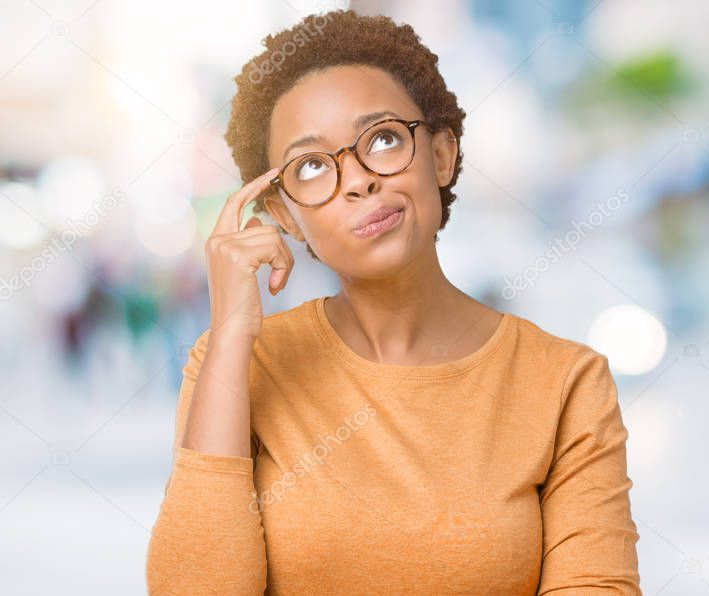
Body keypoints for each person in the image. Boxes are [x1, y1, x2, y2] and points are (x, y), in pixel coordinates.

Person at [145, 9, 640, 595]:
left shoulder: (566, 382)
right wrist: (229, 330)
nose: (358, 181)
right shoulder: (235, 366)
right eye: (311, 166)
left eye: (381, 139)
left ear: (441, 154)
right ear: (284, 216)